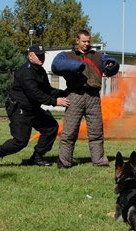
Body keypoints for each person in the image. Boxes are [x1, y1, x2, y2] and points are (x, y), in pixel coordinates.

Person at [0, 45, 70, 167]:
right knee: (20, 141)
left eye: (42, 55)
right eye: (38, 55)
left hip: (33, 108)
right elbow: (35, 94)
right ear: (30, 56)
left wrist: (65, 92)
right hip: (20, 108)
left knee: (50, 128)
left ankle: (37, 157)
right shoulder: (25, 71)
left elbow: (47, 90)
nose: (41, 58)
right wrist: (55, 102)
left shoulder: (40, 71)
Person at [51, 30, 119, 168]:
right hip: (74, 95)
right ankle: (64, 162)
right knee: (69, 132)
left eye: (89, 41)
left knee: (96, 131)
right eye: (84, 41)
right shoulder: (67, 55)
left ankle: (99, 161)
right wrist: (76, 66)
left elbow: (111, 65)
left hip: (93, 96)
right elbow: (56, 65)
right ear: (77, 41)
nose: (87, 44)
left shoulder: (98, 56)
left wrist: (112, 64)